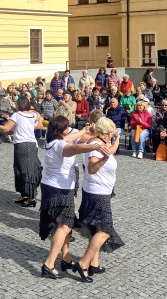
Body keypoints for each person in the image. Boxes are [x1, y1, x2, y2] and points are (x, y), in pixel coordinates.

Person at [39, 116, 108, 279]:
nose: (69, 129)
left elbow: (69, 138)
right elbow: (75, 148)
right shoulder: (61, 146)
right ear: (61, 129)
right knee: (65, 227)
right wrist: (94, 146)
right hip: (60, 190)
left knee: (62, 225)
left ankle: (65, 259)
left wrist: (84, 131)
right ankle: (49, 264)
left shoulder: (51, 141)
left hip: (50, 187)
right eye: (67, 127)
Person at [74, 117, 124, 281]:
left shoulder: (99, 142)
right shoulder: (97, 148)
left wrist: (116, 138)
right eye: (111, 132)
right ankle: (83, 263)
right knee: (104, 231)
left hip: (96, 190)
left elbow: (111, 151)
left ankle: (94, 263)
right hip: (98, 193)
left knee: (97, 228)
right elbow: (92, 168)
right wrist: (104, 158)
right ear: (105, 132)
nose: (112, 134)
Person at [0, 97, 43, 207]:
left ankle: (31, 197)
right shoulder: (31, 115)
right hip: (31, 144)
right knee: (22, 169)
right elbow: (10, 131)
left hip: (23, 145)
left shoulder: (17, 115)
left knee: (26, 170)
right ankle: (25, 194)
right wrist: (32, 110)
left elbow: (5, 129)